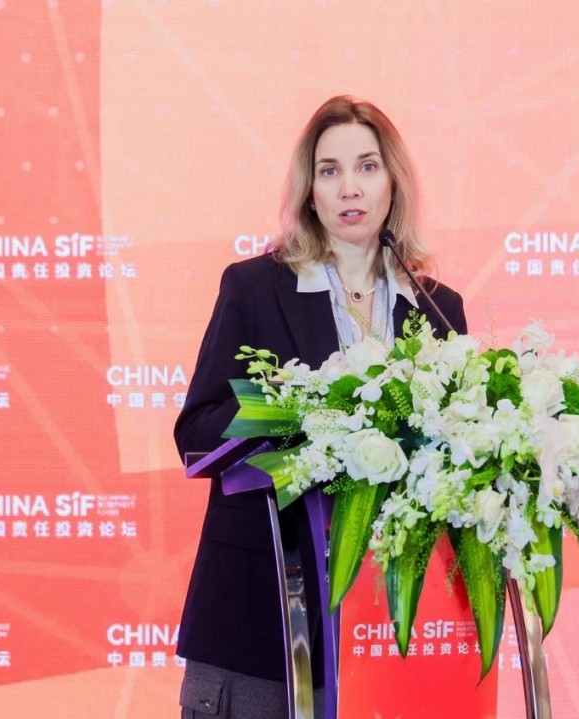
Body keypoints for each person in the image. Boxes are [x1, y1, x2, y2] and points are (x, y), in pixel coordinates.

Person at [174, 95, 468, 718]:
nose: (349, 188)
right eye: (329, 171)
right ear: (309, 191)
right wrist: (303, 414)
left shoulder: (438, 308)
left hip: (388, 635)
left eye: (367, 166)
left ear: (393, 181)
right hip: (260, 622)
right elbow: (196, 432)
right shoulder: (255, 288)